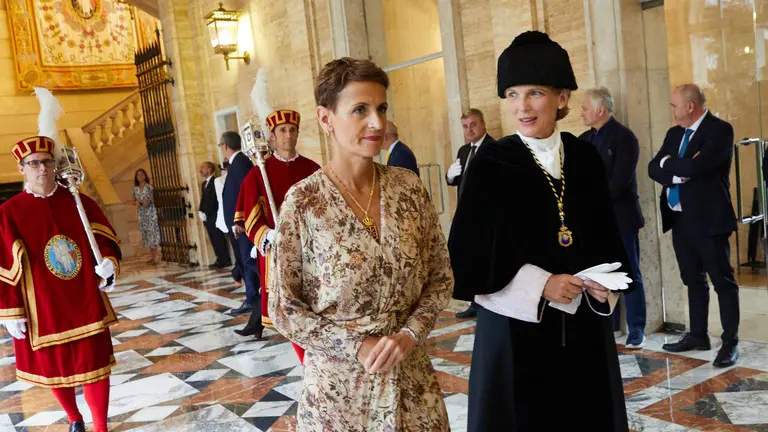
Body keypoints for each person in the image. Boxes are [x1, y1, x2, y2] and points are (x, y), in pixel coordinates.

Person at [449, 31, 629, 431]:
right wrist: (541, 284)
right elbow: (469, 256)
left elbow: (605, 236)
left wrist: (606, 284)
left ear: (562, 97)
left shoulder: (584, 156)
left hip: (583, 327)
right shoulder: (492, 163)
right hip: (516, 332)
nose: (522, 107)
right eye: (512, 95)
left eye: (534, 93)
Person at [269, 57, 453, 431]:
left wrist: (410, 333)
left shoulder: (408, 189)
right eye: (360, 110)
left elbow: (440, 277)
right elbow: (284, 307)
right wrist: (355, 344)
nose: (377, 122)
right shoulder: (304, 202)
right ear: (325, 119)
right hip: (340, 394)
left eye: (381, 108)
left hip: (412, 387)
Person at [0, 88, 121, 432]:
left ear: (57, 164)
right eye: (34, 163)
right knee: (54, 369)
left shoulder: (78, 202)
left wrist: (109, 263)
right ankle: (74, 418)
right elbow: (3, 268)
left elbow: (105, 240)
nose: (42, 168)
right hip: (42, 307)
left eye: (47, 161)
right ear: (22, 168)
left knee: (96, 364)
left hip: (83, 298)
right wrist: (8, 311)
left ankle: (100, 426)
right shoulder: (8, 213)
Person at [648, 83, 740, 367]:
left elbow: (698, 168)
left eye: (674, 105)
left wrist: (671, 163)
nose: (672, 110)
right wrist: (674, 170)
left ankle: (730, 343)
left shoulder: (719, 130)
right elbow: (654, 168)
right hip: (680, 219)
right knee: (692, 280)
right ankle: (698, 335)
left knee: (722, 283)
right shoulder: (674, 133)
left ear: (690, 106)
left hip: (710, 220)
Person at [233, 109, 320, 351]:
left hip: (310, 248)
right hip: (277, 250)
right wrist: (268, 234)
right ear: (272, 136)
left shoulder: (313, 168)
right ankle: (303, 353)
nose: (288, 135)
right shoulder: (259, 173)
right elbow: (250, 216)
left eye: (293, 130)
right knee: (289, 306)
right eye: (282, 130)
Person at [579, 87, 647, 348]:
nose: (582, 112)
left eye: (585, 107)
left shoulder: (624, 137)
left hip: (621, 218)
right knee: (601, 273)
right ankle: (609, 324)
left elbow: (620, 181)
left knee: (630, 272)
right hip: (594, 221)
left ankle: (636, 328)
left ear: (601, 110)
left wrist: (589, 199)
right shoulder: (583, 139)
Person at [447, 108, 496, 319]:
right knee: (470, 260)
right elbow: (459, 180)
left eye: (473, 124)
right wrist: (449, 177)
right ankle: (474, 302)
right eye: (466, 126)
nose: (470, 129)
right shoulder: (463, 150)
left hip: (485, 217)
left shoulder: (494, 148)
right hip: (466, 214)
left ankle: (486, 303)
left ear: (483, 124)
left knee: (484, 261)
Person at [221, 131, 259, 315]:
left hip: (242, 225)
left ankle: (254, 298)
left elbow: (246, 194)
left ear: (225, 146)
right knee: (244, 261)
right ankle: (251, 296)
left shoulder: (241, 163)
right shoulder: (237, 163)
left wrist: (240, 220)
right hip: (237, 224)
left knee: (248, 260)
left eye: (221, 145)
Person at [198, 161, 231, 269]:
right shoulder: (204, 184)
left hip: (214, 215)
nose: (200, 170)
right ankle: (219, 258)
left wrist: (206, 212)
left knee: (219, 238)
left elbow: (214, 200)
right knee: (213, 239)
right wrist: (201, 211)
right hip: (207, 217)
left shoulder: (215, 181)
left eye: (203, 167)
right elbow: (204, 200)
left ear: (209, 169)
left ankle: (225, 259)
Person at [215, 161, 240, 286]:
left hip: (237, 217)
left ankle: (238, 273)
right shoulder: (219, 181)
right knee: (237, 249)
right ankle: (238, 273)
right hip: (228, 217)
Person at [132, 168, 161, 264]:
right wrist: (136, 203)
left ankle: (156, 256)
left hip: (150, 212)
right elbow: (133, 200)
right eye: (138, 175)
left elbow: (153, 199)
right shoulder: (135, 188)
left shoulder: (149, 187)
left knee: (153, 233)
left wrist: (147, 201)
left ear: (145, 176)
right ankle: (152, 257)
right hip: (142, 213)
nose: (140, 176)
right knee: (146, 234)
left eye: (142, 174)